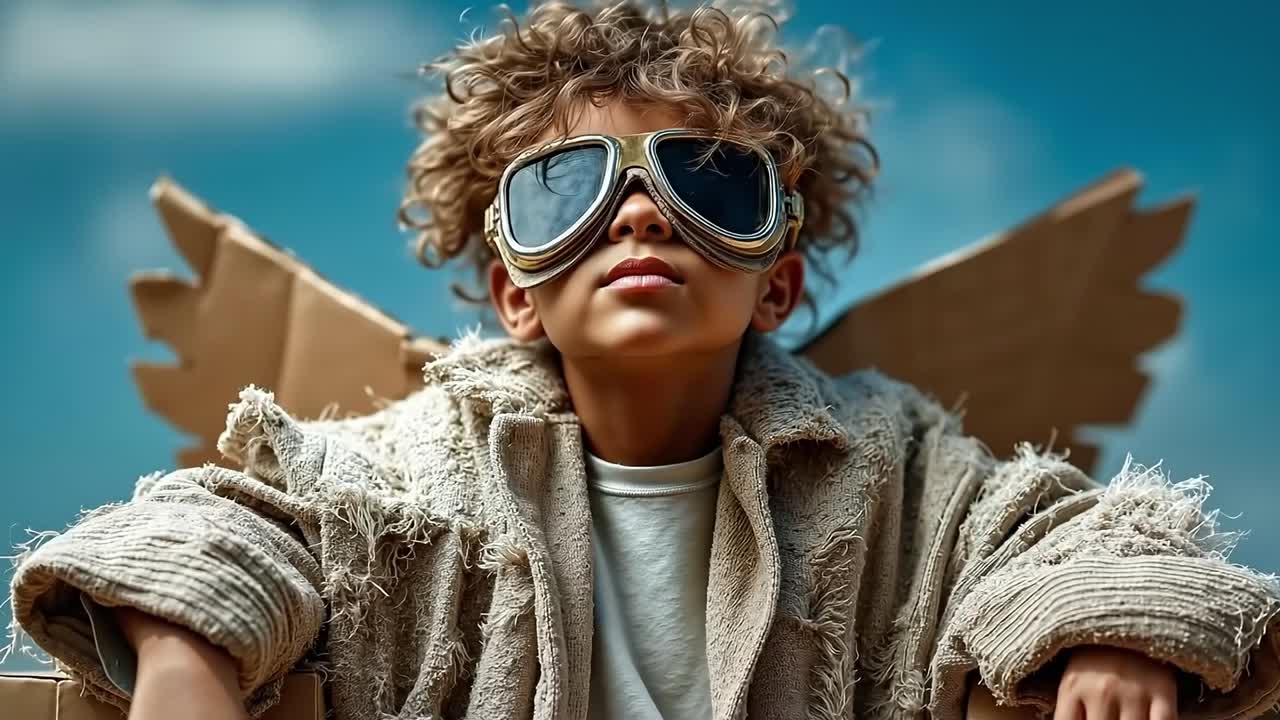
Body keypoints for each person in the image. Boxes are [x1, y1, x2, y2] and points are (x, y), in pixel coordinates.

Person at [9, 3, 1280, 720]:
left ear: (773, 278)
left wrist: (1110, 634)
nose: (636, 216)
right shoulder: (398, 481)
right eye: (567, 189)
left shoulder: (893, 472)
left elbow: (1072, 535)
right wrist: (188, 641)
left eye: (707, 182)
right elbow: (225, 523)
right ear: (514, 290)